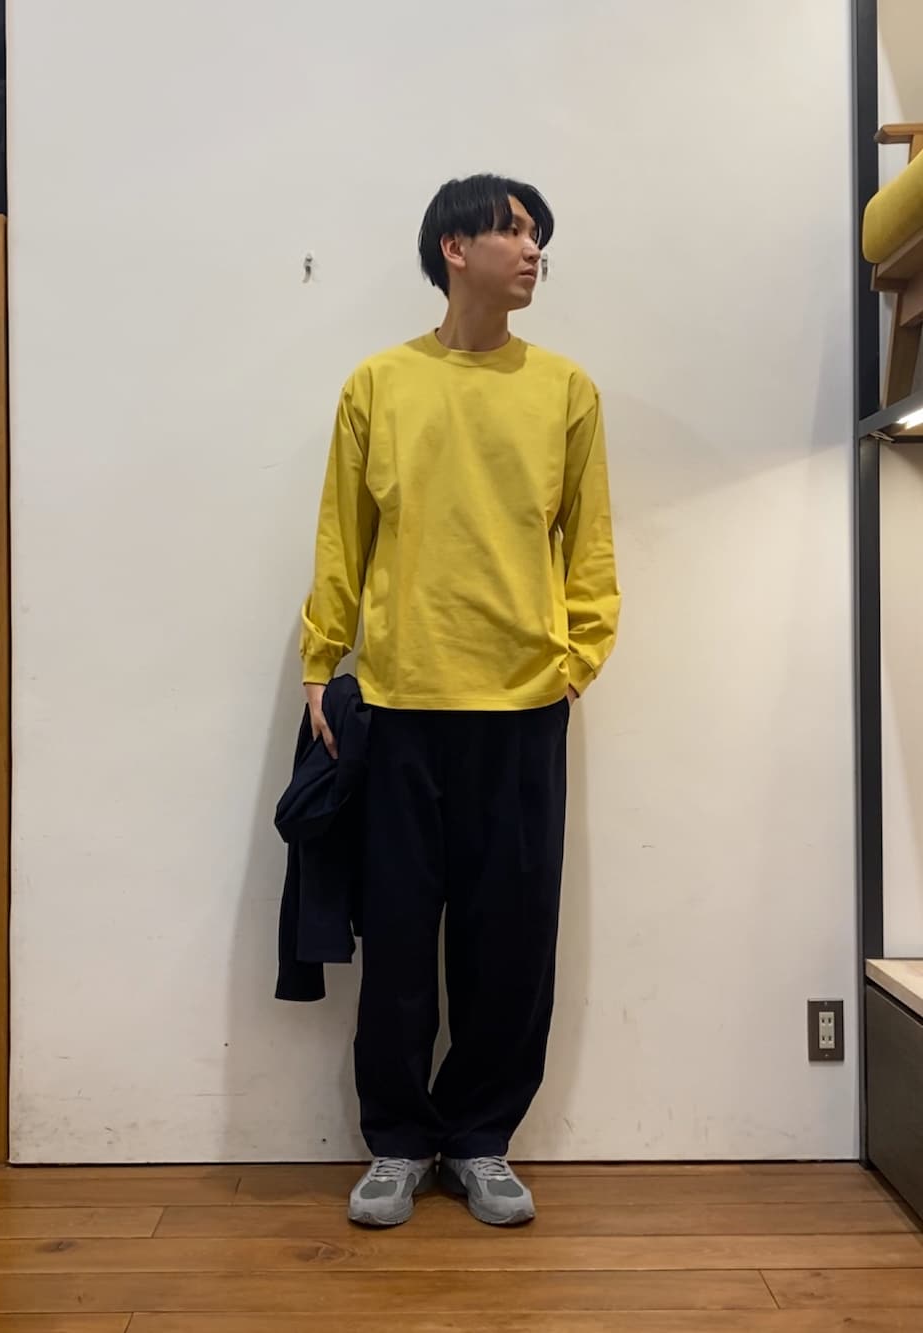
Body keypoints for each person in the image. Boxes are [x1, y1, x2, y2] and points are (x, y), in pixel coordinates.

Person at [300, 173, 621, 1227]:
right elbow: (343, 535)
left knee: (511, 936)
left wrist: (577, 657)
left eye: (538, 238)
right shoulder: (379, 384)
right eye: (514, 231)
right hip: (400, 702)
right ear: (454, 246)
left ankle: (481, 1138)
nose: (533, 252)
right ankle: (397, 1142)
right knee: (398, 935)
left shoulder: (566, 389)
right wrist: (320, 662)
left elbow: (591, 544)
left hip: (524, 705)